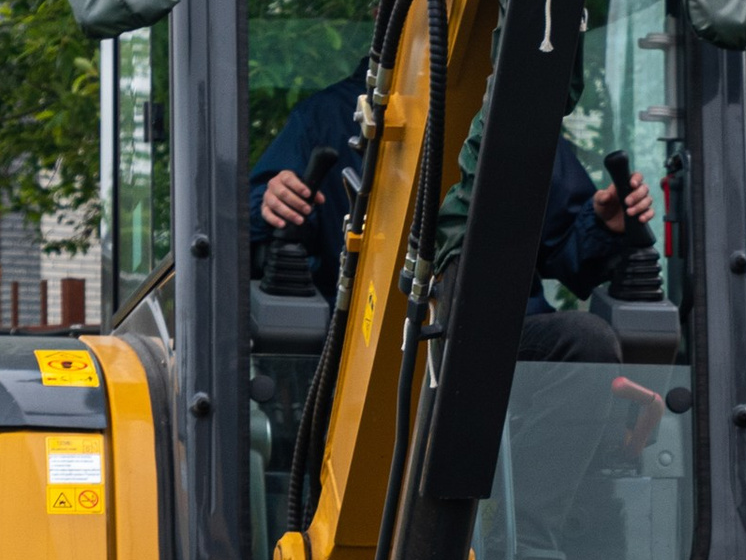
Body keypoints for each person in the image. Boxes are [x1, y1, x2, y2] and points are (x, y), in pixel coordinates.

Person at [250, 61, 653, 353]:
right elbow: (254, 230)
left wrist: (603, 225)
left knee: (585, 343)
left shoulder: (509, 119)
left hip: (496, 340)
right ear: (384, 15)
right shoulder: (323, 119)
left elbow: (566, 247)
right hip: (366, 342)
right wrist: (271, 203)